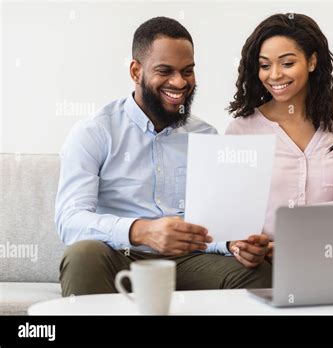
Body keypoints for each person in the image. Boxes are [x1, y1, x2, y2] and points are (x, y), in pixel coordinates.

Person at [55, 16, 271, 296]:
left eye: (187, 71)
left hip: (187, 262)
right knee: (83, 255)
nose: (179, 82)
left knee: (261, 275)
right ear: (136, 71)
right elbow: (70, 221)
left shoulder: (205, 135)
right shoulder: (94, 132)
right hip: (121, 257)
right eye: (165, 71)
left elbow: (211, 223)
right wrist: (141, 231)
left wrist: (232, 244)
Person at [226, 13, 333, 261]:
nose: (274, 75)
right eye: (264, 65)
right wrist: (240, 247)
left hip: (331, 257)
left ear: (312, 61)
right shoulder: (241, 131)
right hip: (265, 266)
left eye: (287, 63)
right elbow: (228, 218)